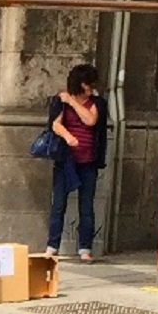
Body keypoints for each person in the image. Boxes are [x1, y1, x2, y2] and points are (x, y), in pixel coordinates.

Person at [45, 63, 108, 262]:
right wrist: (68, 136)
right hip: (67, 160)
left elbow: (90, 121)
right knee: (58, 204)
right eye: (87, 84)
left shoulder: (96, 103)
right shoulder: (60, 101)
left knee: (86, 205)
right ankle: (52, 245)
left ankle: (84, 248)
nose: (90, 88)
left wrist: (73, 103)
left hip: (88, 160)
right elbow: (55, 124)